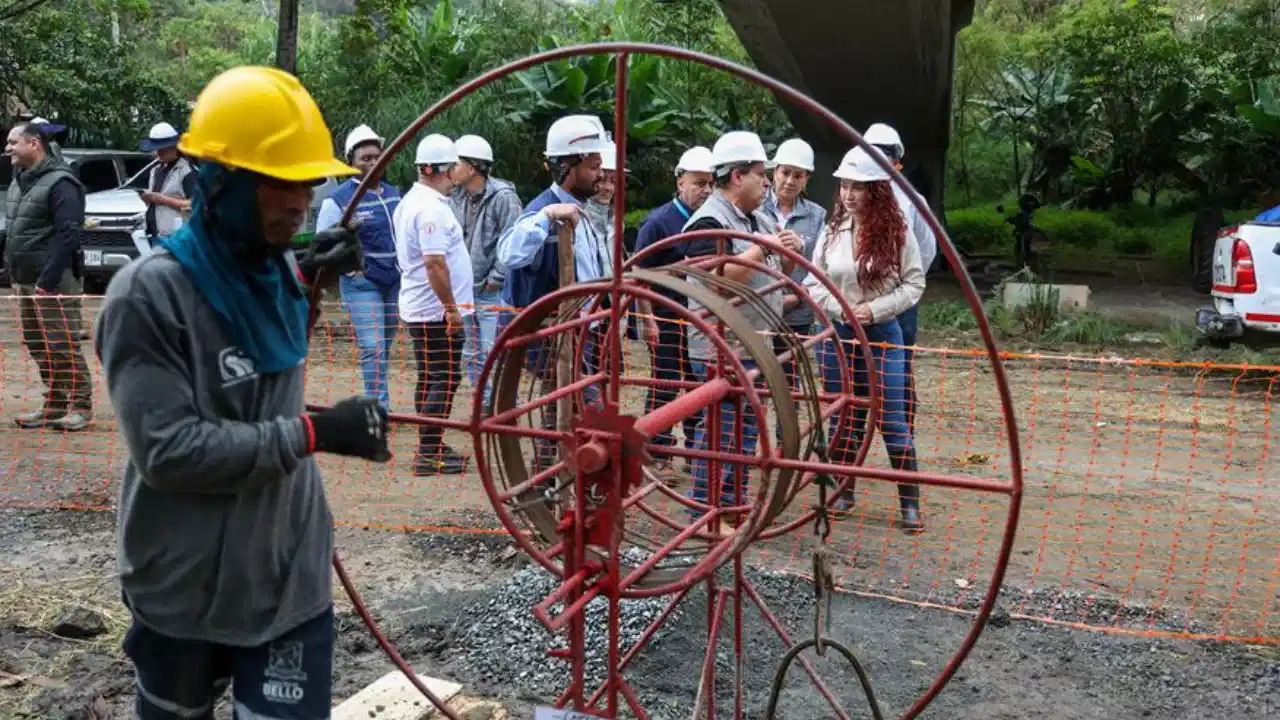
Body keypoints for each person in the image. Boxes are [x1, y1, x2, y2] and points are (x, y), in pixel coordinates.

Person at [94, 65, 390, 719]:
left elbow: (263, 371)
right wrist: (318, 432)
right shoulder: (149, 295)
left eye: (307, 181)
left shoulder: (278, 267)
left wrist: (309, 279)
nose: (300, 202)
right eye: (276, 184)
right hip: (183, 581)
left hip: (287, 575)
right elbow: (170, 451)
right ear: (219, 183)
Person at [679, 131, 804, 521]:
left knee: (745, 431)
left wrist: (787, 252)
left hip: (754, 343)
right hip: (722, 346)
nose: (767, 182)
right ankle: (704, 509)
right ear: (737, 177)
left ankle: (730, 506)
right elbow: (720, 278)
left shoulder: (756, 216)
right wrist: (764, 246)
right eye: (759, 174)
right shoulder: (708, 222)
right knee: (721, 432)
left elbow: (771, 272)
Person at [804, 146, 925, 532]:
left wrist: (874, 311)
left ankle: (910, 502)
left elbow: (914, 283)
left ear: (877, 189)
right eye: (845, 185)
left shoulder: (898, 232)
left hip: (883, 334)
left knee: (891, 416)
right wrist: (841, 308)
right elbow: (812, 281)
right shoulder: (831, 231)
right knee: (844, 412)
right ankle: (843, 489)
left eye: (859, 186)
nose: (849, 194)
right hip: (838, 336)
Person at [497, 114, 610, 469]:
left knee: (561, 405)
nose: (600, 175)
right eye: (593, 166)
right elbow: (509, 253)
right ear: (567, 166)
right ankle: (563, 477)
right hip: (547, 334)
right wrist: (547, 215)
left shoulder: (583, 214)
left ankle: (551, 478)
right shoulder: (541, 213)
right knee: (583, 406)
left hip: (577, 331)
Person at [3, 119, 93, 432]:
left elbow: (68, 235)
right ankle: (55, 404)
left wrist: (47, 281)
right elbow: (17, 229)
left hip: (53, 281)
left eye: (14, 142)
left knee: (62, 343)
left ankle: (80, 406)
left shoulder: (61, 183)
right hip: (25, 278)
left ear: (34, 144)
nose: (8, 148)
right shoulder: (19, 179)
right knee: (38, 343)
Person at [394, 134, 473, 476]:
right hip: (435, 311)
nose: (457, 173)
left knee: (431, 376)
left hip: (424, 308)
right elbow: (434, 263)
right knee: (444, 376)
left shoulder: (413, 202)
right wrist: (451, 309)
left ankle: (432, 445)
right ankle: (429, 452)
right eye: (454, 166)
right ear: (444, 169)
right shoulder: (429, 209)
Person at [633, 145, 714, 461]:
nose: (705, 190)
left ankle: (695, 449)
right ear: (680, 182)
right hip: (665, 317)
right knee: (665, 382)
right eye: (698, 183)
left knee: (697, 383)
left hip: (698, 319)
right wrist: (647, 319)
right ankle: (656, 448)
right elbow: (637, 272)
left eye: (709, 183)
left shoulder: (709, 220)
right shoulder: (659, 222)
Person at [316, 124, 402, 411]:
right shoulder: (339, 199)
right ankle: (379, 409)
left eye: (377, 156)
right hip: (362, 284)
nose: (373, 162)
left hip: (394, 281)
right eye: (365, 158)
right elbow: (323, 243)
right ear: (351, 162)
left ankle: (378, 398)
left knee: (384, 346)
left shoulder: (393, 193)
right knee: (373, 347)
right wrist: (347, 269)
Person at [864, 122, 936, 433]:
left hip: (899, 303)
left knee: (898, 368)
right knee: (854, 369)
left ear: (897, 163)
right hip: (856, 302)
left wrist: (904, 288)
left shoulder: (911, 200)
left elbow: (926, 248)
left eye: (885, 157)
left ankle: (901, 435)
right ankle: (852, 440)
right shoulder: (852, 196)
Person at [449, 133, 522, 410]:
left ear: (473, 166)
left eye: (456, 164)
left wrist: (497, 277)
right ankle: (485, 403)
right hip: (466, 290)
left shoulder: (504, 198)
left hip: (492, 291)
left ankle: (504, 406)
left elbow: (512, 240)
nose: (451, 170)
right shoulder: (457, 198)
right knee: (472, 353)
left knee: (495, 350)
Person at [758, 138, 827, 404]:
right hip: (759, 307)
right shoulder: (755, 208)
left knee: (790, 380)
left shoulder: (817, 216)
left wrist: (803, 248)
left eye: (798, 175)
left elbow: (824, 265)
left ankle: (786, 438)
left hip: (796, 311)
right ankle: (756, 436)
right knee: (756, 378)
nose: (790, 181)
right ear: (774, 172)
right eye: (785, 172)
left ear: (806, 179)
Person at [139, 122, 196, 243]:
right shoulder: (155, 170)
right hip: (152, 233)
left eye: (163, 150)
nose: (158, 153)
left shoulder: (185, 171)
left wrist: (164, 200)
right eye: (157, 150)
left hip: (174, 237)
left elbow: (194, 204)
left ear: (173, 147)